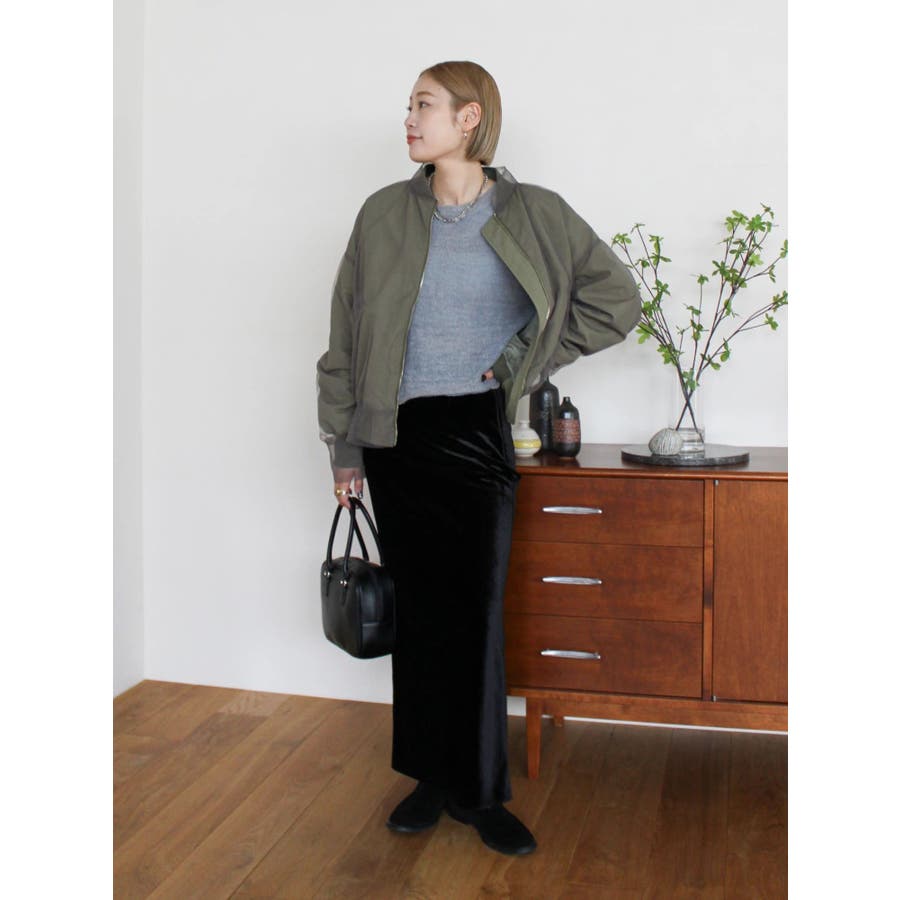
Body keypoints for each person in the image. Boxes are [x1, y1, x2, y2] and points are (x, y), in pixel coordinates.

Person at [316, 60, 640, 856]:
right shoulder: (383, 214)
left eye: (423, 105)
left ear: (469, 118)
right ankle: (429, 778)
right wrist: (344, 446)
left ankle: (481, 791)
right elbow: (345, 336)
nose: (408, 118)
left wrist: (526, 357)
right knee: (422, 616)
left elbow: (617, 300)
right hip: (395, 438)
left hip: (475, 432)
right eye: (409, 105)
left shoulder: (534, 212)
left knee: (476, 615)